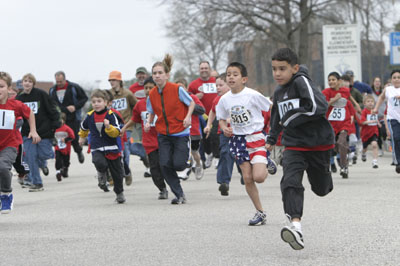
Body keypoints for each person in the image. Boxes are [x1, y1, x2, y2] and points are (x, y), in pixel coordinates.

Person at [266, 48, 334, 250]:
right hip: (294, 144)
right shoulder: (278, 92)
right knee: (290, 181)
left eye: (282, 69)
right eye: (274, 69)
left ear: (295, 68)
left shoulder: (301, 82)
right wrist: (270, 139)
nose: (277, 73)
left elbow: (317, 107)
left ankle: (325, 178)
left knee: (321, 189)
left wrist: (291, 119)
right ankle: (295, 226)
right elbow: (277, 118)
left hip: (318, 143)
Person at [216, 62, 272, 225]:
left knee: (259, 177)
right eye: (228, 74)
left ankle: (267, 160)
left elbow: (271, 108)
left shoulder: (252, 95)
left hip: (256, 138)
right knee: (247, 178)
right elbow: (221, 118)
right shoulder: (224, 99)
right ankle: (260, 212)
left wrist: (272, 134)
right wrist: (224, 127)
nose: (231, 77)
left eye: (235, 74)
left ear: (244, 78)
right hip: (238, 141)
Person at [145, 54, 195, 204]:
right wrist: (148, 122)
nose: (157, 76)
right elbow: (152, 111)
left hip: (180, 132)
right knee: (165, 164)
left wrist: (188, 117)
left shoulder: (177, 89)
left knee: (179, 164)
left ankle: (188, 160)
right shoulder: (152, 94)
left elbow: (191, 103)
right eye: (155, 73)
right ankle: (179, 194)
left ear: (167, 75)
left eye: (160, 73)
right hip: (164, 134)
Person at [121, 77, 169, 200]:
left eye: (150, 87)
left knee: (165, 165)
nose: (148, 90)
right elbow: (134, 119)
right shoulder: (140, 105)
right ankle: (162, 189)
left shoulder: (163, 101)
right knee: (154, 168)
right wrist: (124, 128)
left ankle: (172, 184)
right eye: (146, 88)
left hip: (164, 139)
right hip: (150, 142)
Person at [0, 72, 39, 213]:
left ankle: (6, 195)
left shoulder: (15, 105)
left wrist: (33, 131)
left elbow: (30, 113)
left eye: (1, 86)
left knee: (3, 167)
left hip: (9, 145)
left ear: (9, 88)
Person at [78, 89, 126, 203]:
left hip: (112, 147)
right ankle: (101, 174)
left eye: (99, 101)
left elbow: (117, 132)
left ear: (105, 102)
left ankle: (119, 193)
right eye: (94, 102)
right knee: (99, 162)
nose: (96, 104)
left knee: (117, 174)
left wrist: (109, 128)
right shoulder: (89, 116)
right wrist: (81, 137)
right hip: (97, 147)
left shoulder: (111, 115)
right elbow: (84, 128)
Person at [17, 73, 61, 192]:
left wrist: (56, 122)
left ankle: (42, 164)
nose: (27, 83)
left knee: (45, 154)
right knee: (30, 157)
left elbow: (51, 108)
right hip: (27, 133)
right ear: (22, 83)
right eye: (25, 81)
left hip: (43, 131)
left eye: (30, 81)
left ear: (33, 84)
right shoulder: (19, 99)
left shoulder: (41, 94)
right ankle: (37, 183)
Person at [204, 73, 241, 195]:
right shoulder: (217, 99)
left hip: (240, 133)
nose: (218, 88)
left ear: (229, 84)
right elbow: (212, 111)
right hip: (224, 133)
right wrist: (208, 125)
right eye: (216, 85)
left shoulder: (238, 97)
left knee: (240, 156)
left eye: (221, 85)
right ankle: (224, 183)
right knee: (226, 153)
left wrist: (233, 119)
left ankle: (246, 175)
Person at [49, 71, 88, 164]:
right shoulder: (52, 90)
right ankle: (63, 164)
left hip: (73, 118)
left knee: (73, 137)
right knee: (60, 140)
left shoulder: (74, 87)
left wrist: (75, 107)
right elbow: (51, 104)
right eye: (57, 82)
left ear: (65, 79)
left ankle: (78, 151)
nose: (59, 84)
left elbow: (84, 98)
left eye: (61, 81)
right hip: (59, 119)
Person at [322, 72, 356, 178]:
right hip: (331, 124)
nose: (331, 82)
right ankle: (345, 151)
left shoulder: (345, 91)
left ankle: (344, 167)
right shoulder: (326, 92)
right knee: (332, 146)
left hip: (343, 123)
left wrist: (355, 111)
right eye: (329, 80)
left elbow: (349, 101)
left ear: (339, 81)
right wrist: (335, 99)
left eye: (333, 80)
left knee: (341, 142)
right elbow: (324, 106)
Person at [108, 70, 137, 185]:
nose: (111, 82)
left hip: (126, 126)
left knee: (124, 150)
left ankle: (126, 172)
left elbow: (137, 107)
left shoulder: (128, 94)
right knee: (113, 151)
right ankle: (114, 174)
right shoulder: (108, 94)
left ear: (119, 81)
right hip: (111, 127)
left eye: (114, 80)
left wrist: (133, 120)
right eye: (110, 80)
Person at [189, 61, 219, 168]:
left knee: (215, 135)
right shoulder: (193, 84)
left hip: (215, 113)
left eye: (206, 68)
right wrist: (196, 95)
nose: (204, 70)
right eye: (202, 68)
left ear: (210, 69)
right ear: (199, 70)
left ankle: (217, 157)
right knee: (205, 138)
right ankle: (209, 154)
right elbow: (188, 98)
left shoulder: (215, 81)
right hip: (202, 115)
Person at [175, 78, 206, 180]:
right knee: (184, 150)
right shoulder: (174, 99)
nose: (180, 90)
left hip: (194, 131)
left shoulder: (192, 97)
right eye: (178, 88)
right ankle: (185, 170)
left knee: (194, 151)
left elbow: (202, 110)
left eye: (182, 87)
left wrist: (189, 106)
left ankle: (198, 163)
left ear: (186, 88)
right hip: (180, 131)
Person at [374, 69, 400, 173]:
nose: (396, 79)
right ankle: (398, 162)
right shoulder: (388, 89)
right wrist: (376, 108)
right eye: (394, 77)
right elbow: (381, 98)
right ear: (391, 79)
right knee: (396, 138)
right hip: (392, 118)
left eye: (399, 77)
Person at [360, 95, 380, 168]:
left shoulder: (375, 111)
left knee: (374, 145)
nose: (370, 103)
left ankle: (375, 161)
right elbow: (362, 122)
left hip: (374, 132)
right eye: (368, 101)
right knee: (365, 148)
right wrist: (369, 121)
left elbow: (376, 119)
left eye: (372, 101)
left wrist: (378, 123)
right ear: (364, 103)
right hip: (366, 133)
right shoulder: (364, 112)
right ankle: (363, 153)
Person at [54, 112, 75, 181]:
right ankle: (58, 173)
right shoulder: (55, 128)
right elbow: (51, 136)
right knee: (58, 160)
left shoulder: (67, 128)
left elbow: (72, 136)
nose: (59, 122)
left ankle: (65, 170)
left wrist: (65, 139)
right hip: (58, 148)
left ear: (64, 120)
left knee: (66, 161)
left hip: (66, 148)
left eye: (61, 120)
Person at [371, 77, 387, 156]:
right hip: (374, 116)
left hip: (383, 116)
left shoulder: (384, 93)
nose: (377, 83)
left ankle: (385, 140)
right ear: (373, 83)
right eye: (376, 81)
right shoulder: (371, 93)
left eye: (379, 81)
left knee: (384, 131)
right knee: (377, 133)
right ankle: (380, 148)